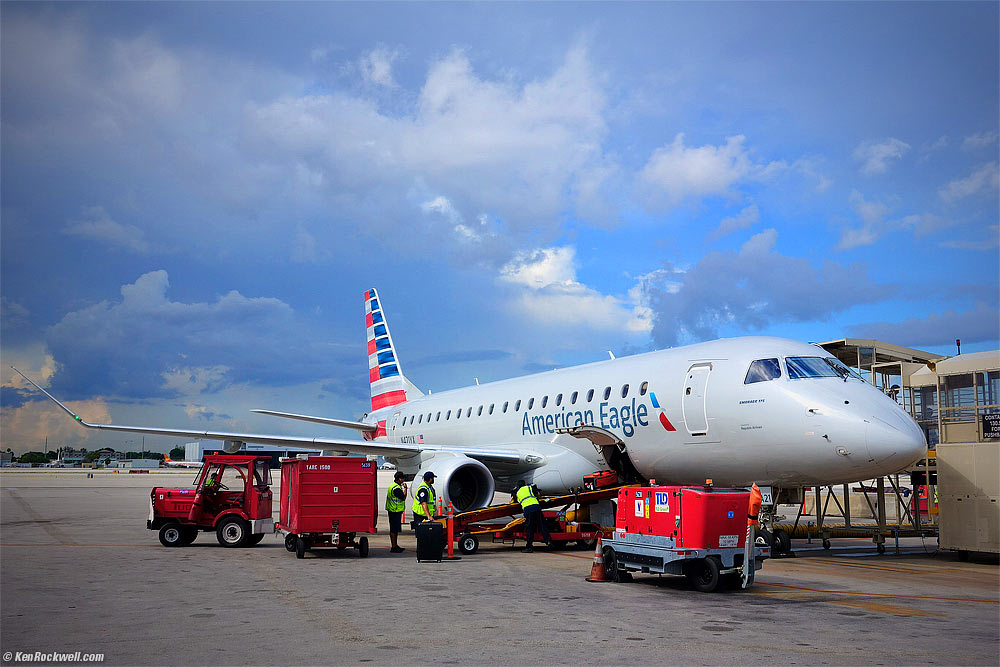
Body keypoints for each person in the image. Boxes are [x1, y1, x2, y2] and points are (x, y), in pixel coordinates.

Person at [515, 480, 551, 553]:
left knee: (530, 528)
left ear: (518, 486)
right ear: (525, 484)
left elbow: (518, 501)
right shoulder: (529, 487)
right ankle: (548, 541)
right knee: (542, 525)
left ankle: (529, 547)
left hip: (528, 510)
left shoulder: (518, 493)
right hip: (536, 507)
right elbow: (538, 494)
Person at [385, 471, 408, 553]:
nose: (403, 480)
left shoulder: (393, 485)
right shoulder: (396, 488)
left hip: (393, 510)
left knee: (395, 529)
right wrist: (405, 488)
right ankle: (394, 546)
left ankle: (395, 545)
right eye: (403, 478)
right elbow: (403, 497)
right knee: (394, 530)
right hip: (395, 511)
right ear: (399, 479)